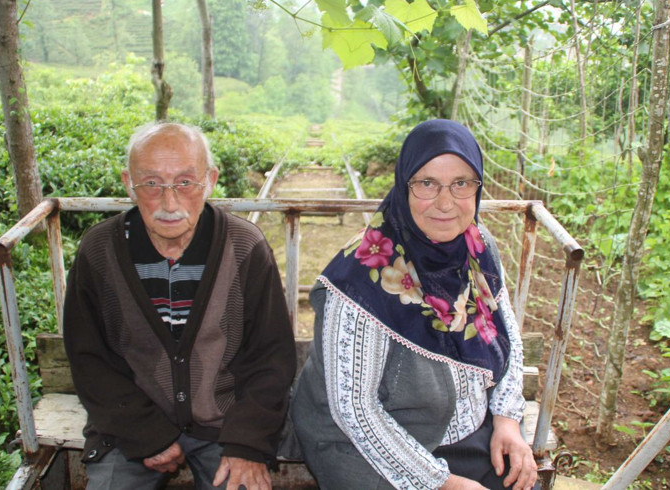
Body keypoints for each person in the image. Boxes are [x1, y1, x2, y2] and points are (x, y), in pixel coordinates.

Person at [291, 119, 538, 490]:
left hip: (466, 434)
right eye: (426, 183)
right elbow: (356, 412)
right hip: (369, 448)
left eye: (461, 183)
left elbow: (507, 336)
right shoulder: (361, 277)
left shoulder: (478, 247)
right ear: (404, 185)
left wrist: (506, 419)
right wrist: (443, 484)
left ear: (478, 187)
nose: (444, 202)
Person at [63, 122, 296, 490]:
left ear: (210, 180)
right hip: (129, 425)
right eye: (152, 184)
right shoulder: (99, 251)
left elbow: (271, 357)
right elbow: (88, 357)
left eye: (186, 182)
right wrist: (145, 434)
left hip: (225, 427)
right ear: (129, 183)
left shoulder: (244, 246)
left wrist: (247, 443)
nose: (169, 203)